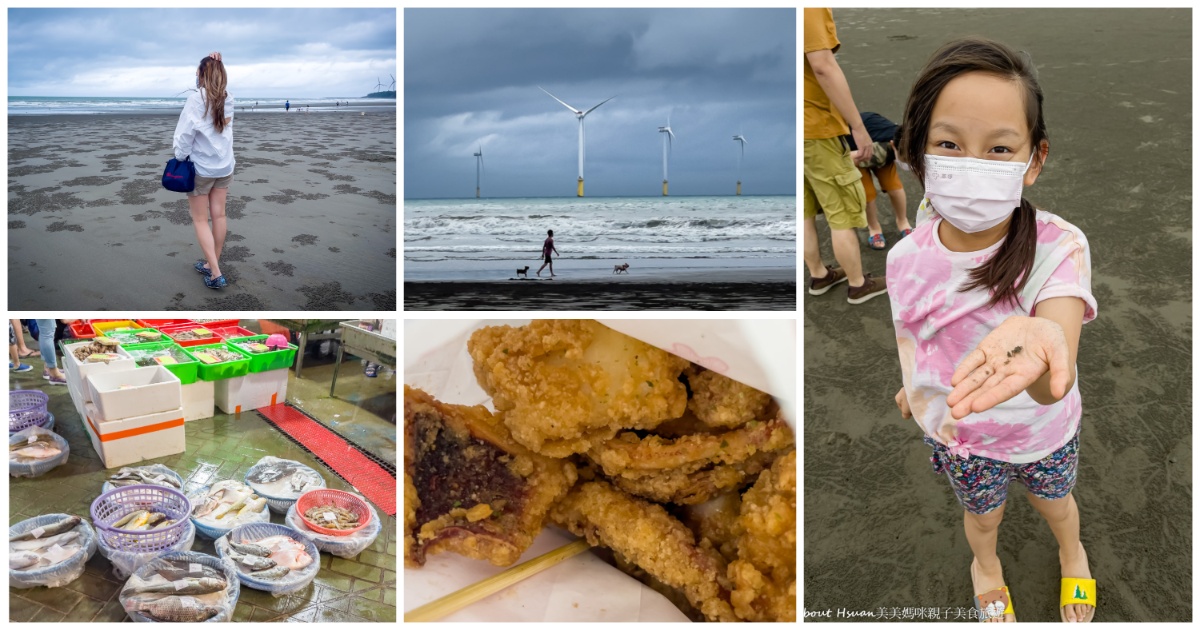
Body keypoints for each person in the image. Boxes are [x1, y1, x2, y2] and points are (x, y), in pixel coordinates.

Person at [889, 38, 1097, 623]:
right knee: (982, 516)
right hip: (959, 433)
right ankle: (986, 565)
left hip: (1042, 429)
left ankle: (1072, 553)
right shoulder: (905, 257)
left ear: (1034, 160)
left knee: (1056, 503)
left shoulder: (1060, 247)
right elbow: (914, 332)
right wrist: (916, 383)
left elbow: (1050, 365)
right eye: (949, 143)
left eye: (1000, 148)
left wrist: (1039, 349)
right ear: (917, 152)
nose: (973, 163)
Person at [803, 8, 887, 303]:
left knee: (803, 214)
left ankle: (819, 275)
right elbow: (823, 65)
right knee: (840, 214)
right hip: (814, 128)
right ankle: (857, 284)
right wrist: (858, 125)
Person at [174, 51, 235, 289]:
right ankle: (211, 264)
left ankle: (215, 272)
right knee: (219, 215)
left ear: (201, 74)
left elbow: (184, 136)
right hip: (225, 165)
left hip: (201, 169)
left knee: (200, 220)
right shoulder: (229, 97)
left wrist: (179, 157)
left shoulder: (196, 99)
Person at [850, 112, 913, 250]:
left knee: (894, 187)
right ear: (893, 146)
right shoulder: (879, 150)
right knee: (868, 194)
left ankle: (903, 221)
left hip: (884, 150)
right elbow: (846, 159)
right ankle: (874, 228)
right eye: (905, 159)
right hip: (857, 152)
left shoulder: (905, 139)